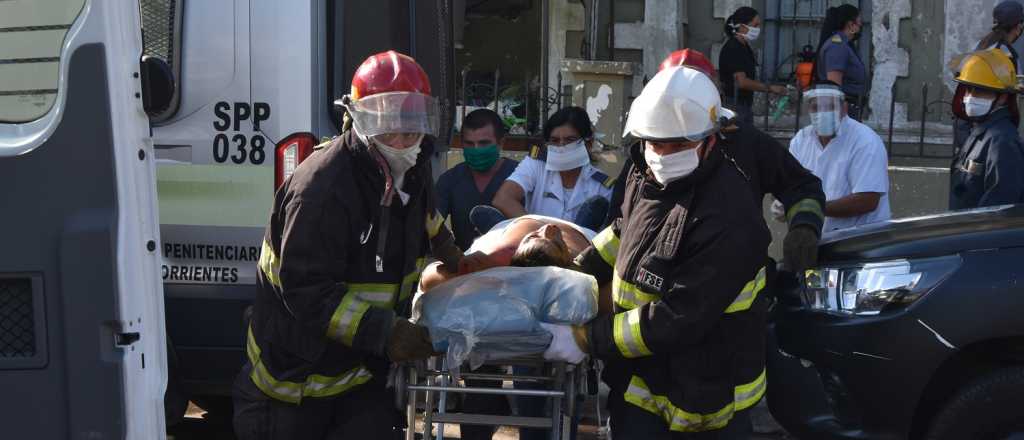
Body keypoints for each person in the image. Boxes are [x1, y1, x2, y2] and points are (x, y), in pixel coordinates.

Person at [232, 51, 463, 439]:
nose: (404, 140)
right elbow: (307, 290)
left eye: (412, 126)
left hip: (360, 374)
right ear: (361, 120)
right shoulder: (323, 190)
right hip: (294, 383)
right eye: (390, 128)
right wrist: (386, 332)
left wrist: (447, 246)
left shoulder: (412, 167)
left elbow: (424, 214)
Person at [545, 65, 774, 439]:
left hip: (708, 394)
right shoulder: (644, 172)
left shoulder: (730, 216)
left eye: (678, 144)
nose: (663, 154)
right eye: (655, 142)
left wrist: (586, 338)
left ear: (711, 141)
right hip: (641, 384)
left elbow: (678, 317)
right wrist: (577, 272)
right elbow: (623, 232)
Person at [608, 49, 826, 273]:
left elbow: (802, 186)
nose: (664, 154)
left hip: (732, 285)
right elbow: (620, 220)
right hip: (657, 281)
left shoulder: (746, 144)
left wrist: (804, 228)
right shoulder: (646, 152)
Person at [786, 83, 890, 232]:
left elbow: (867, 200)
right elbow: (786, 183)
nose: (822, 112)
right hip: (815, 237)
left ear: (844, 108)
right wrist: (782, 201)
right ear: (808, 109)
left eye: (830, 106)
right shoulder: (800, 140)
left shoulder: (865, 141)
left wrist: (810, 207)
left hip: (860, 241)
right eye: (816, 108)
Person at [489, 107, 614, 231]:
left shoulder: (602, 186)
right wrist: (541, 234)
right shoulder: (535, 164)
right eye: (554, 140)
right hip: (535, 245)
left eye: (570, 140)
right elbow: (503, 199)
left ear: (588, 143)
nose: (561, 146)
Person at [949, 48, 1024, 210]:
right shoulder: (981, 131)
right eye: (968, 89)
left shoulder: (1002, 140)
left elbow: (999, 209)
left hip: (978, 232)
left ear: (1002, 97)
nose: (970, 96)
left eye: (981, 90)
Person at [436, 109, 519, 250]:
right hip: (465, 266)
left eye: (484, 143)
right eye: (469, 144)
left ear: (501, 143)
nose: (476, 149)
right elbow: (433, 227)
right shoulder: (450, 180)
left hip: (514, 265)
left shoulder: (520, 176)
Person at [956, 1, 1024, 147]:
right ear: (1018, 27)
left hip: (969, 124)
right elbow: (1016, 86)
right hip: (993, 126)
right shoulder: (1007, 55)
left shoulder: (980, 45)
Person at [719, 6, 788, 124]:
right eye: (755, 25)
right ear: (741, 27)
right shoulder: (733, 48)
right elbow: (742, 82)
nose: (758, 29)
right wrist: (770, 88)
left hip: (744, 105)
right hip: (735, 106)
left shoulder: (744, 46)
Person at [814, 4, 868, 121]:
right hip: (843, 113)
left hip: (850, 110)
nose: (861, 26)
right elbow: (834, 87)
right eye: (859, 22)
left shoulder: (845, 45)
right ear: (850, 25)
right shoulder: (837, 47)